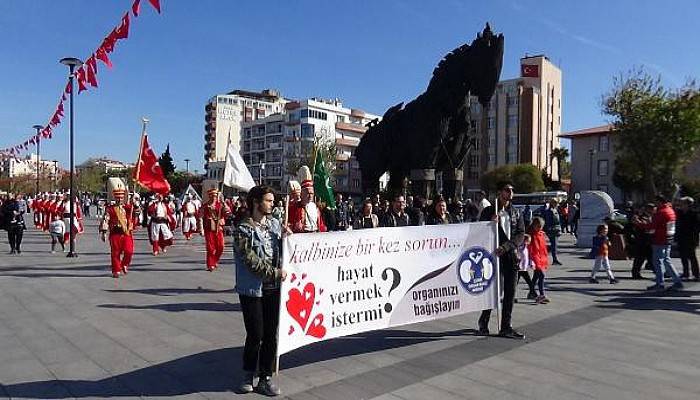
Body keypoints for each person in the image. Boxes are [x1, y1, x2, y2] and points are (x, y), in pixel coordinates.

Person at [233, 185, 287, 396]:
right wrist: (276, 272)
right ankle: (248, 373)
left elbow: (284, 250)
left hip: (274, 290)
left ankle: (265, 376)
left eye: (273, 201)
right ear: (256, 202)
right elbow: (251, 261)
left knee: (270, 335)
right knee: (255, 334)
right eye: (268, 200)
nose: (272, 204)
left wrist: (288, 238)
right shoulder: (243, 230)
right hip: (252, 291)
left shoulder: (275, 225)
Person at [476, 183, 526, 339]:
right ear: (500, 192)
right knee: (494, 291)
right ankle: (483, 322)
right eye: (507, 190)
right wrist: (490, 224)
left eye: (512, 190)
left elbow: (520, 234)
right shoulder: (489, 211)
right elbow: (479, 231)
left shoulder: (516, 212)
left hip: (510, 256)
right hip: (493, 256)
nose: (510, 193)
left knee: (510, 292)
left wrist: (507, 247)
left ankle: (506, 326)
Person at [634, 194, 683, 291]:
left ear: (660, 202)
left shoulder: (661, 212)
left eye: (656, 202)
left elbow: (651, 226)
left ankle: (660, 283)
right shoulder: (670, 210)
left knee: (658, 262)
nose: (655, 204)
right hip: (668, 238)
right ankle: (677, 281)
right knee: (666, 260)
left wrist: (638, 222)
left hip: (659, 239)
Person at [100, 188, 136, 278]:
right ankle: (116, 270)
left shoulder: (128, 207)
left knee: (129, 251)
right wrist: (104, 232)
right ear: (115, 198)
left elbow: (137, 212)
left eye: (121, 198)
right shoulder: (110, 209)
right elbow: (106, 220)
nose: (119, 200)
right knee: (115, 253)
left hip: (126, 232)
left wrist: (135, 203)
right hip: (115, 233)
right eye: (118, 198)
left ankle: (124, 264)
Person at [287, 166, 326, 233]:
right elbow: (289, 224)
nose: (310, 196)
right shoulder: (294, 207)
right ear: (302, 193)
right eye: (308, 193)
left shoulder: (315, 207)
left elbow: (320, 224)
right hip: (302, 237)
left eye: (312, 193)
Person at [200, 188, 231, 271]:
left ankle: (215, 260)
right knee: (210, 248)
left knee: (221, 246)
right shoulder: (205, 206)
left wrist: (224, 203)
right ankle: (210, 264)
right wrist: (201, 229)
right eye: (212, 195)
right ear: (209, 196)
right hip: (209, 228)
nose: (214, 197)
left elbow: (228, 213)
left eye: (215, 195)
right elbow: (200, 217)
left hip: (219, 228)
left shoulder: (220, 205)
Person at [528, 217, 551, 303]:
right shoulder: (532, 235)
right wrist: (532, 260)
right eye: (538, 226)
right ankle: (541, 294)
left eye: (541, 226)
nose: (540, 228)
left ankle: (531, 292)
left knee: (536, 277)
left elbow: (544, 247)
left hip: (542, 257)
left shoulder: (541, 234)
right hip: (536, 258)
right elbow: (532, 249)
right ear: (534, 225)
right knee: (541, 276)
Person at [676, 196, 699, 281]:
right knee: (683, 256)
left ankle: (696, 274)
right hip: (681, 237)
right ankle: (685, 273)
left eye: (682, 203)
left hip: (690, 238)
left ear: (688, 204)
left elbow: (696, 228)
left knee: (692, 257)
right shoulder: (679, 213)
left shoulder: (694, 214)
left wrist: (695, 240)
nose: (680, 205)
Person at [516, 234, 537, 300]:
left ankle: (534, 294)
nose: (529, 242)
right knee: (528, 282)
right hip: (519, 268)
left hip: (524, 269)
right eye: (528, 241)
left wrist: (531, 264)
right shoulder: (519, 247)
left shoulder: (526, 248)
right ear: (524, 240)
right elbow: (518, 255)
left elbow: (528, 257)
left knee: (529, 282)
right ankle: (535, 294)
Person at [542, 198, 563, 265]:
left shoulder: (555, 210)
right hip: (553, 230)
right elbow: (549, 221)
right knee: (554, 245)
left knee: (554, 245)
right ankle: (554, 259)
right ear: (553, 203)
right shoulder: (550, 211)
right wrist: (550, 229)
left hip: (556, 229)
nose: (557, 204)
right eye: (556, 203)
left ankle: (554, 258)